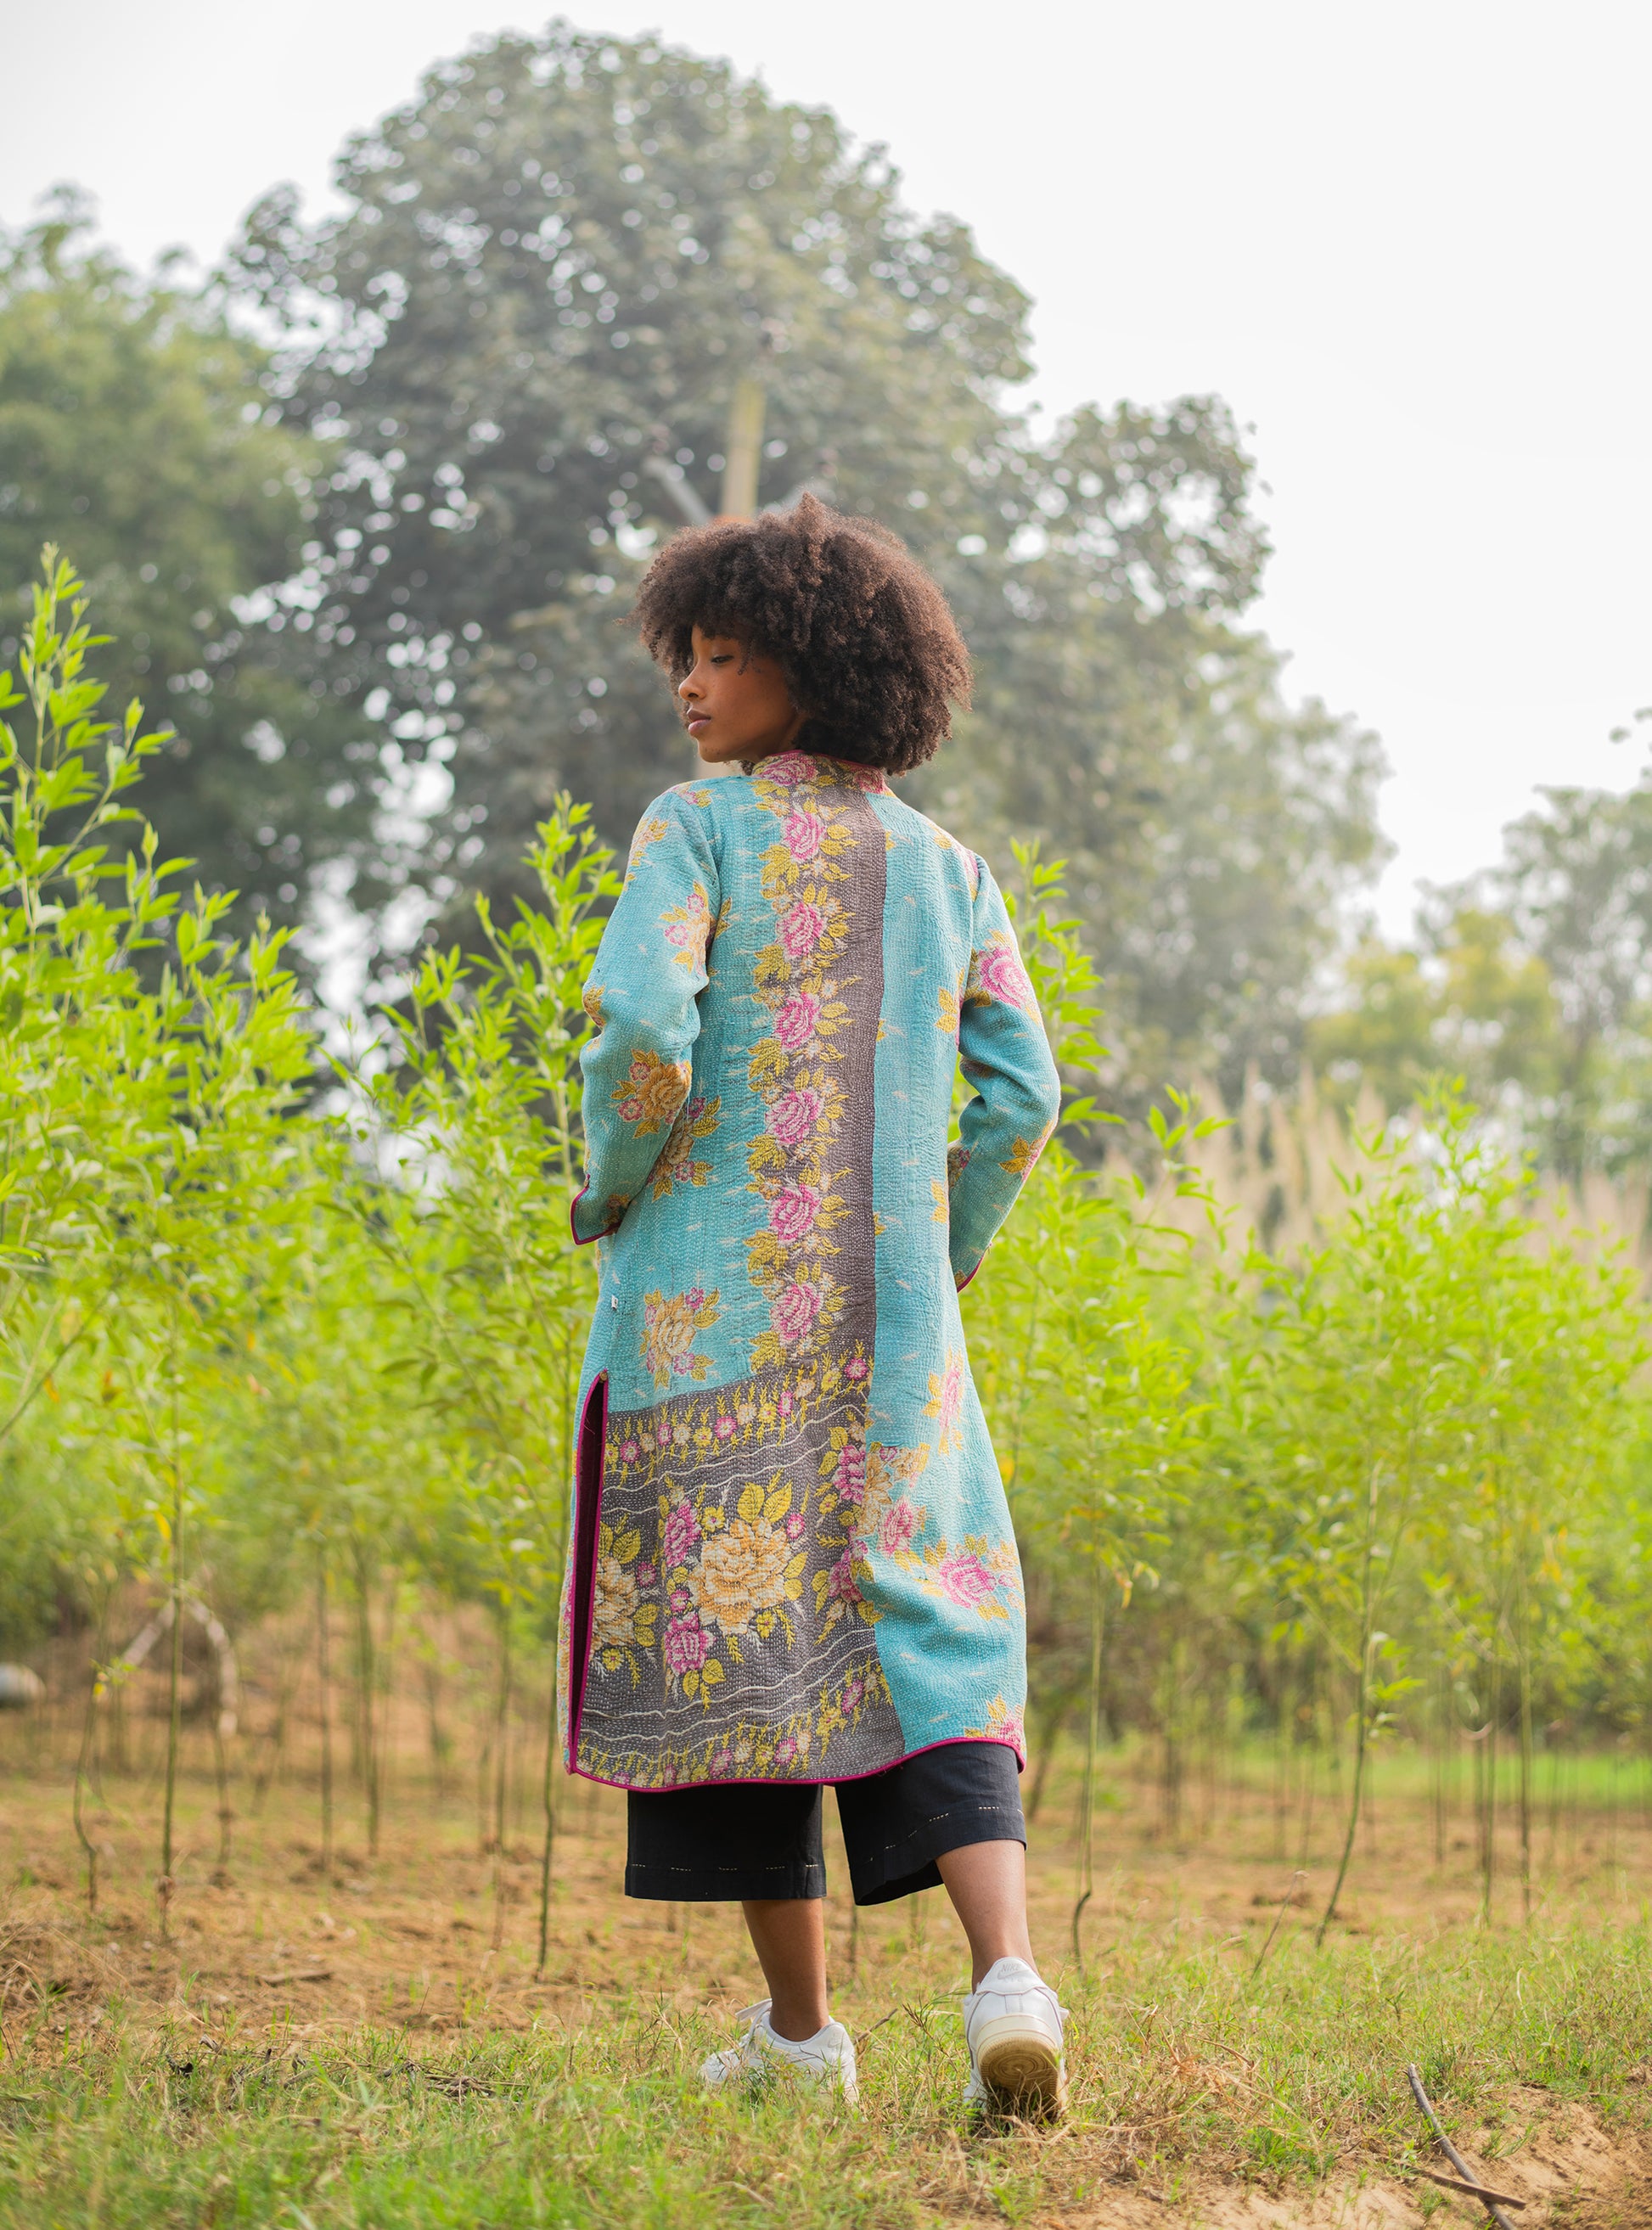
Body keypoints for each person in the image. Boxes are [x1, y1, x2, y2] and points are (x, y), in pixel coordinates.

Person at [559, 494, 1065, 2113]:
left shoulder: (695, 829)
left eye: (725, 656)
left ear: (815, 669)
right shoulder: (950, 870)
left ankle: (802, 2039)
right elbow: (1023, 1095)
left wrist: (608, 1186)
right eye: (689, 656)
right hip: (897, 1337)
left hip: (704, 1325)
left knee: (744, 1648)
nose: (691, 686)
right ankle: (1007, 1980)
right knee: (930, 1620)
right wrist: (944, 1246)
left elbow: (644, 1034)